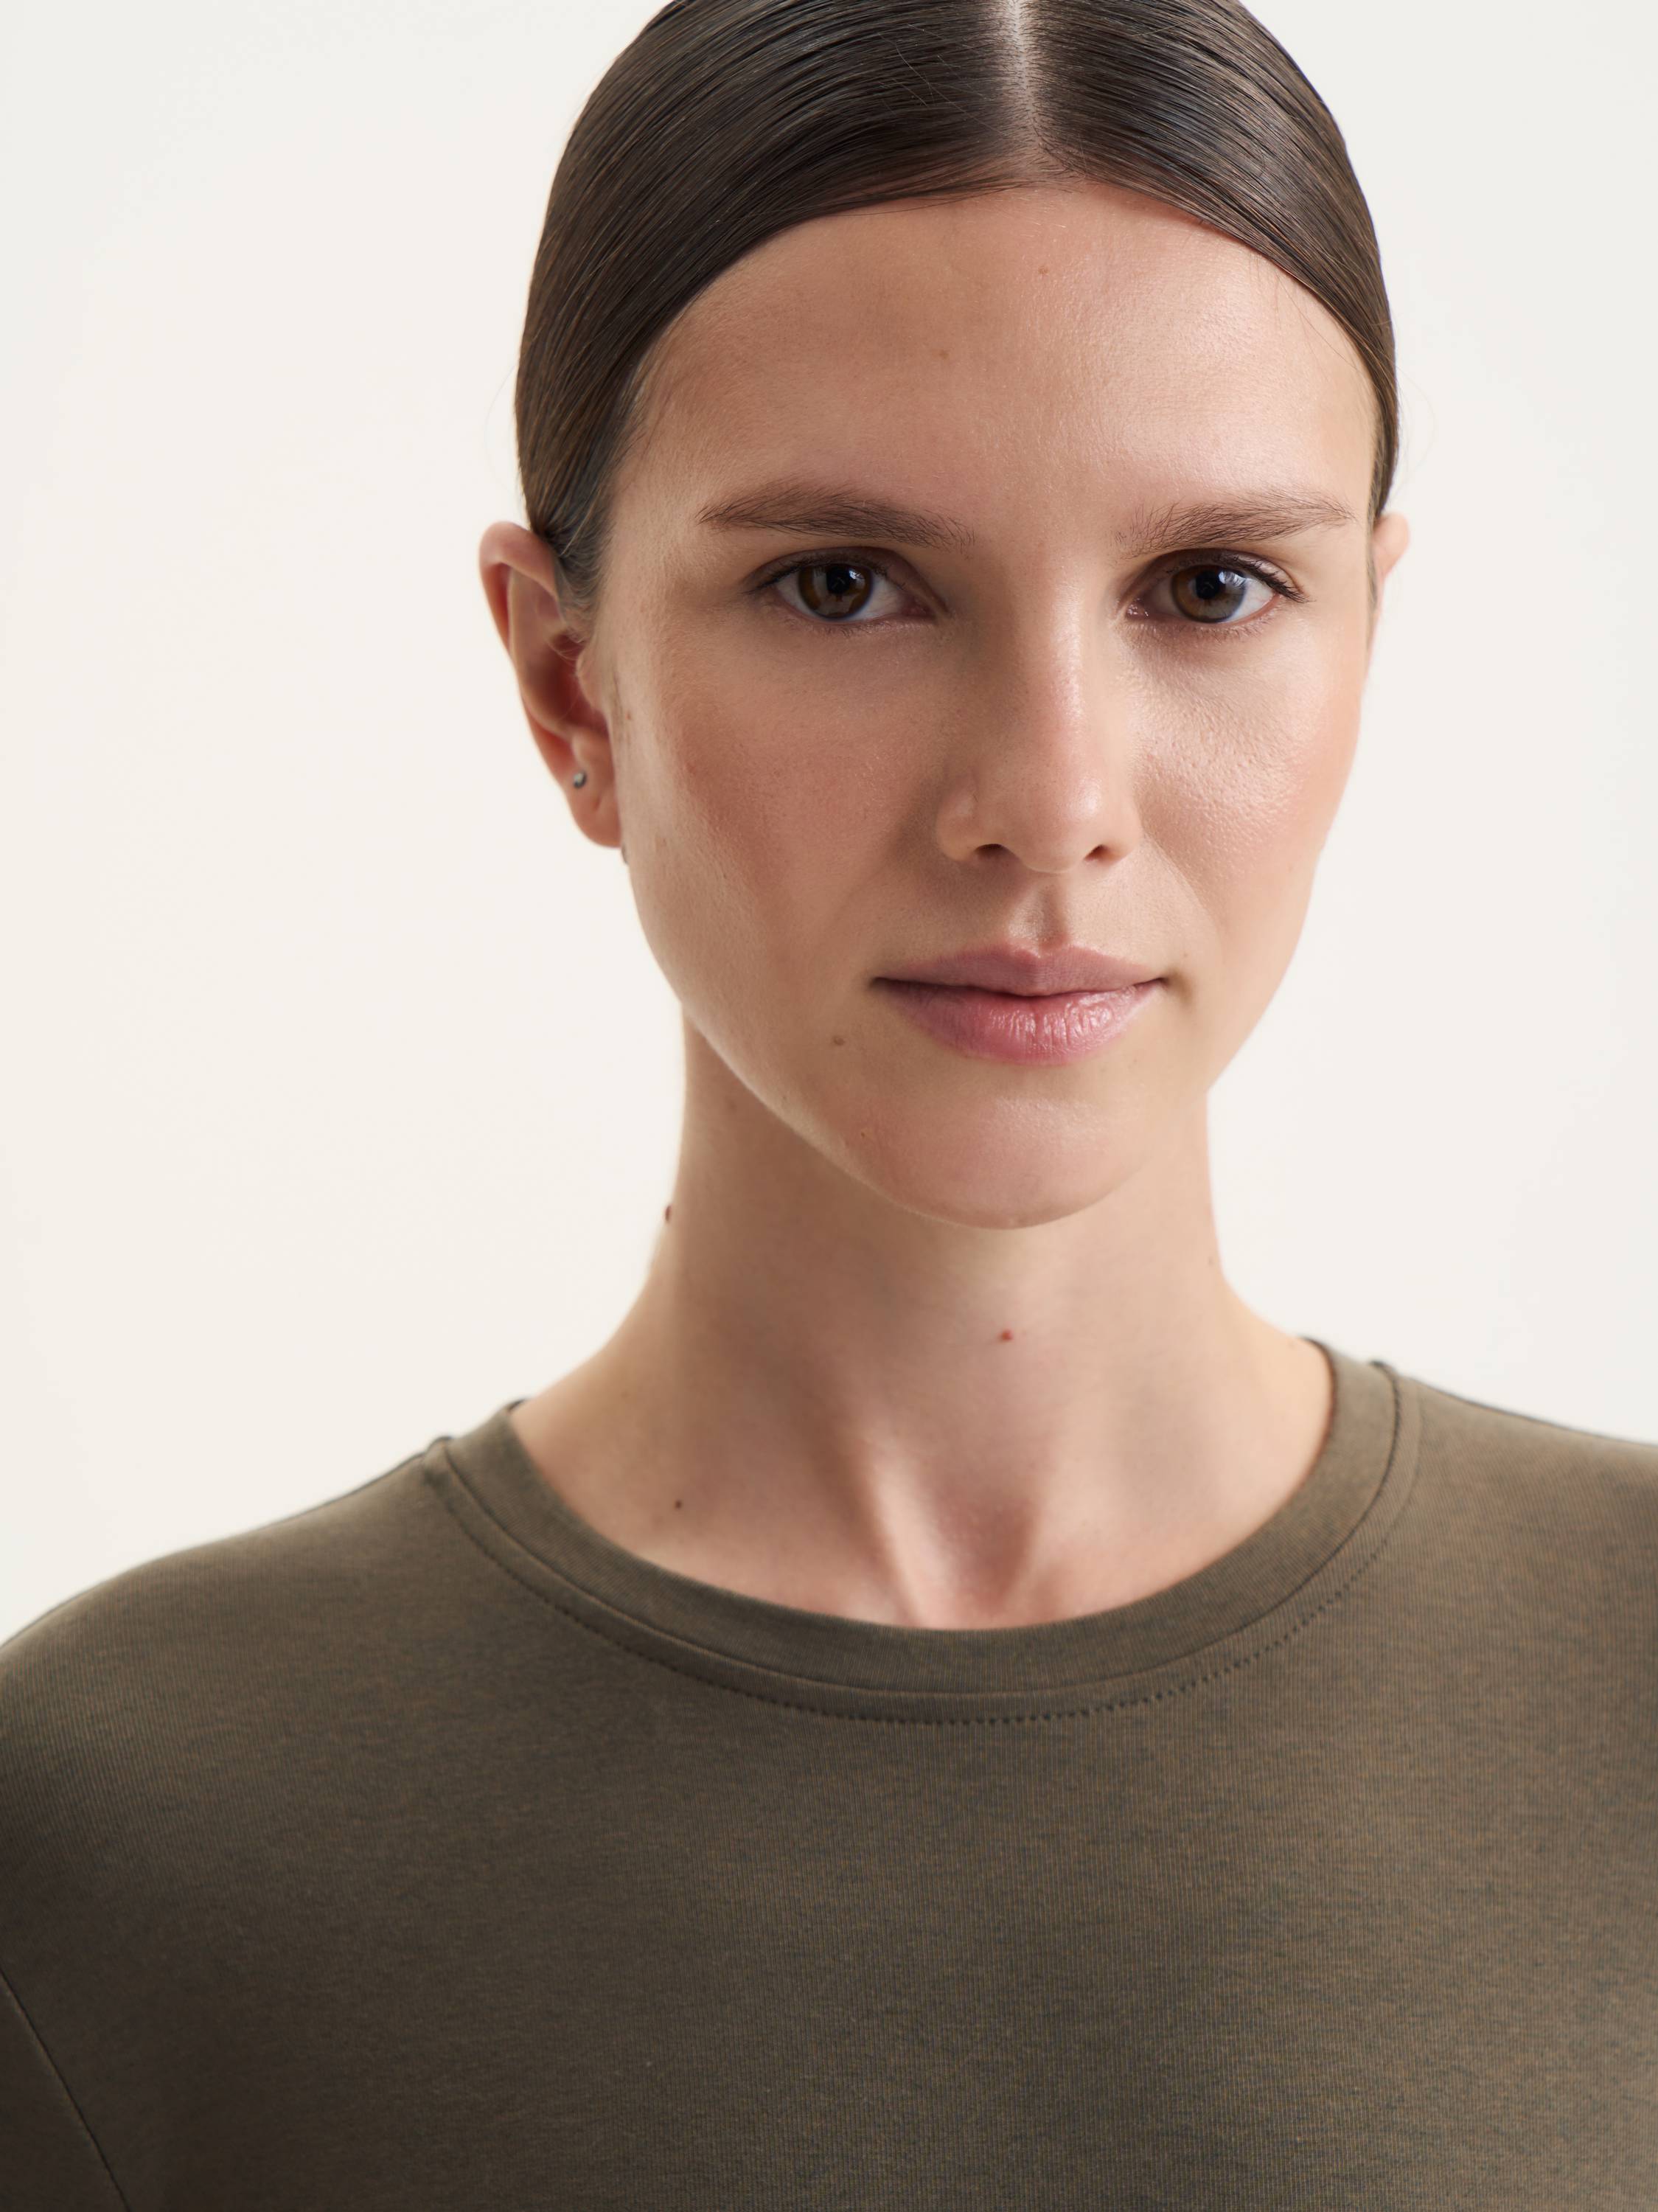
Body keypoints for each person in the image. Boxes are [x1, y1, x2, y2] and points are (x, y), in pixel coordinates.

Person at [4, 1, 1656, 2202]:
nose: (1049, 800)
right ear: (568, 684)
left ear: (1367, 630)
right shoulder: (118, 1834)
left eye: (1210, 589)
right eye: (845, 586)